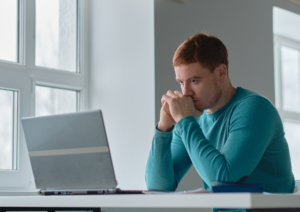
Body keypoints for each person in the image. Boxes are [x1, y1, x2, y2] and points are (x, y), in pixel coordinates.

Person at [145, 33, 295, 212]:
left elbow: (225, 180)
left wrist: (185, 121)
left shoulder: (254, 108)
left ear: (221, 72)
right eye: (181, 82)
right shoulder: (192, 119)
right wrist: (164, 128)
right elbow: (158, 188)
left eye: (194, 81)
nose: (185, 93)